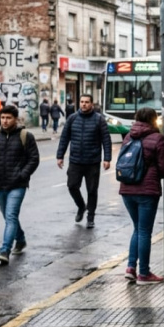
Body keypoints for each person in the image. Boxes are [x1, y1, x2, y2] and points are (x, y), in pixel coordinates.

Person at [0, 105, 40, 265]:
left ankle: (5, 250)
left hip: (17, 185)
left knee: (10, 216)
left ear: (15, 119)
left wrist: (22, 175)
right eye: (2, 118)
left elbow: (34, 159)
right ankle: (21, 239)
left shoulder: (26, 136)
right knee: (8, 216)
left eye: (8, 118)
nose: (4, 121)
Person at [119, 107, 164, 285]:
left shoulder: (128, 136)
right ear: (153, 119)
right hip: (147, 191)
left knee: (137, 228)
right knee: (144, 231)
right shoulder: (158, 138)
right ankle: (144, 273)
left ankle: (130, 268)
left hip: (126, 189)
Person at [56, 94, 112, 229]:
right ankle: (81, 206)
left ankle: (91, 217)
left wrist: (107, 159)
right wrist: (60, 156)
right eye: (82, 102)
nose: (84, 104)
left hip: (92, 161)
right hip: (75, 161)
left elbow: (106, 140)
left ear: (92, 104)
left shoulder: (99, 119)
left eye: (87, 102)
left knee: (92, 190)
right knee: (72, 186)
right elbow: (64, 138)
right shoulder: (72, 118)